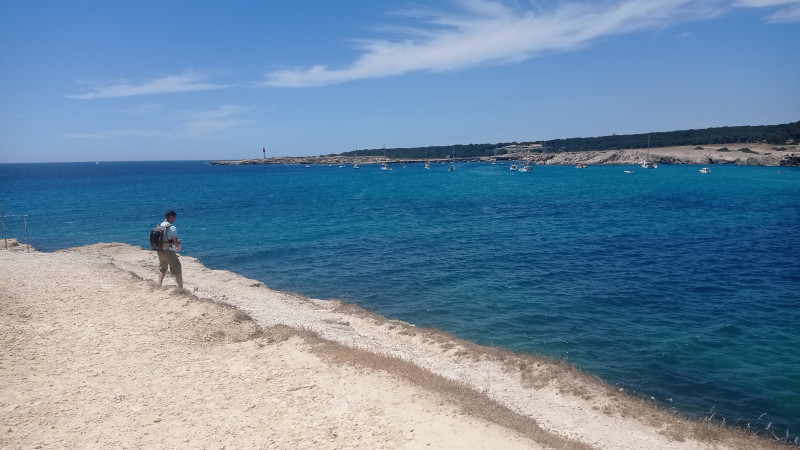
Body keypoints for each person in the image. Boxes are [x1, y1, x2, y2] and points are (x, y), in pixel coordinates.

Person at [156, 210, 183, 289]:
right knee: (177, 269)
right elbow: (175, 243)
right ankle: (181, 289)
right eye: (174, 218)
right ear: (171, 217)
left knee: (162, 268)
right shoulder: (172, 228)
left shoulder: (159, 225)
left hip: (159, 250)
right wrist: (178, 243)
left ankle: (159, 285)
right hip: (169, 251)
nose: (174, 220)